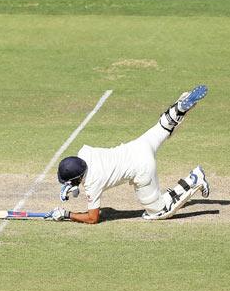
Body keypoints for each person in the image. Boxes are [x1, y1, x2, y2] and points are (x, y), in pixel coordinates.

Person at [49, 85, 210, 223]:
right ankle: (179, 107)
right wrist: (75, 187)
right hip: (139, 145)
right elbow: (80, 175)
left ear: (78, 178)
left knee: (158, 211)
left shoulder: (93, 184)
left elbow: (93, 218)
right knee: (163, 127)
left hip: (142, 168)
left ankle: (194, 179)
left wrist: (67, 214)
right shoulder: (84, 152)